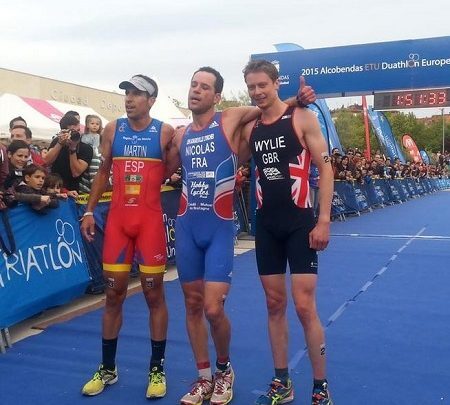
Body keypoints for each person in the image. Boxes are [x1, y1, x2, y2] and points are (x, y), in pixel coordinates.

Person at [165, 66, 315, 405]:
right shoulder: (179, 134)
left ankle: (224, 370)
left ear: (217, 96)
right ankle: (203, 377)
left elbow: (270, 107)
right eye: (193, 84)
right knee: (191, 305)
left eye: (204, 87)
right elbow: (160, 169)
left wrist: (299, 98)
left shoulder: (230, 119)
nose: (196, 91)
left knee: (213, 309)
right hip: (187, 226)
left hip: (218, 227)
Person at [239, 60, 333, 405]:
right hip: (266, 225)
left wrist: (323, 219)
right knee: (274, 304)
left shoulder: (303, 118)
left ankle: (320, 386)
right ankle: (283, 381)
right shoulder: (250, 128)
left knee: (305, 307)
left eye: (263, 84)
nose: (257, 91)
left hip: (299, 223)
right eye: (251, 86)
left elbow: (326, 168)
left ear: (276, 83)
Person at [79, 74, 174, 399]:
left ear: (151, 100)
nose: (129, 98)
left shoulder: (164, 132)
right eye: (127, 93)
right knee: (113, 294)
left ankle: (157, 368)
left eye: (137, 93)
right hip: (118, 222)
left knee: (153, 295)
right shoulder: (112, 129)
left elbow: (175, 168)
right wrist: (90, 211)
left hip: (148, 224)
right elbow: (103, 172)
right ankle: (108, 368)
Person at [43, 114, 93, 192]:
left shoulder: (86, 148)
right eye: (70, 131)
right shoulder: (57, 142)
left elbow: (76, 173)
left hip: (73, 191)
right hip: (54, 189)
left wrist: (72, 148)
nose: (73, 134)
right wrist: (60, 143)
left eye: (75, 131)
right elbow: (47, 161)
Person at [79, 114, 103, 193]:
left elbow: (95, 149)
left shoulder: (98, 136)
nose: (95, 126)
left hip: (93, 158)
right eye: (92, 124)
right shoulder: (83, 135)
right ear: (87, 125)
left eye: (97, 124)